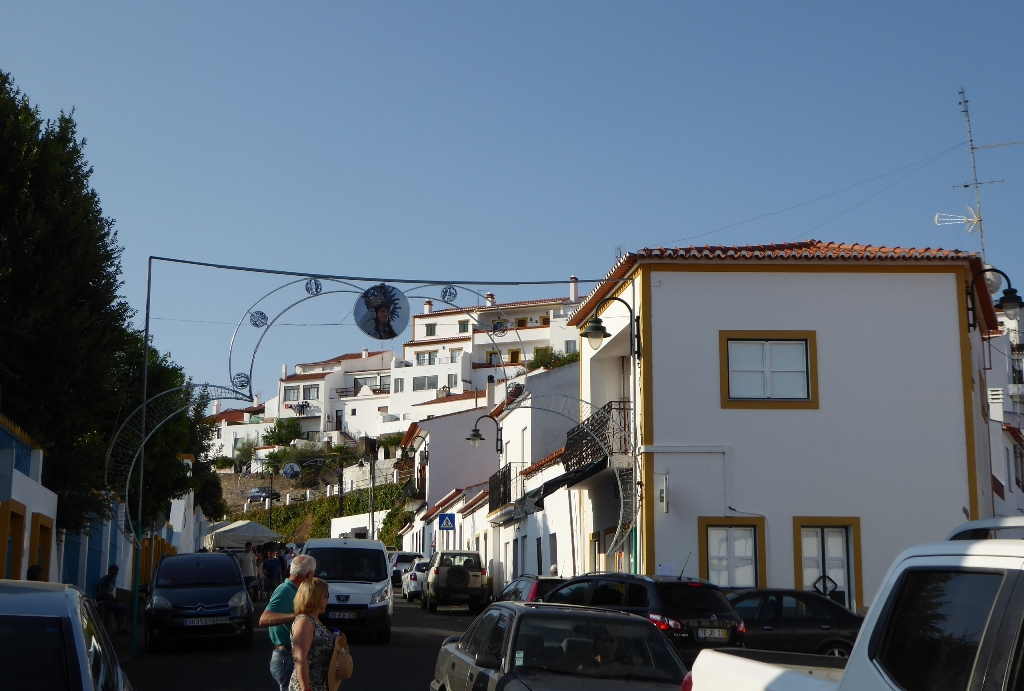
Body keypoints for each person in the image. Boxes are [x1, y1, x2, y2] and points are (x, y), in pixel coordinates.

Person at [260, 554, 317, 691]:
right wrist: (297, 617)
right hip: (286, 656)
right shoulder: (285, 590)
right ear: (309, 575)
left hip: (290, 655)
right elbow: (264, 619)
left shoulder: (295, 590)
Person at [290, 577, 350, 691]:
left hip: (321, 685)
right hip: (309, 686)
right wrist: (306, 689)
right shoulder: (304, 622)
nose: (328, 599)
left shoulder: (315, 620)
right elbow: (300, 659)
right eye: (326, 595)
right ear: (316, 597)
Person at [95, 565, 129, 634]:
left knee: (124, 609)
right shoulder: (105, 581)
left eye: (116, 573)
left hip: (109, 601)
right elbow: (101, 595)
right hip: (103, 602)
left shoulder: (112, 580)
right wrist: (112, 599)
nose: (115, 575)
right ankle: (120, 628)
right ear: (109, 572)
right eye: (113, 573)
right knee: (120, 608)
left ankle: (122, 628)